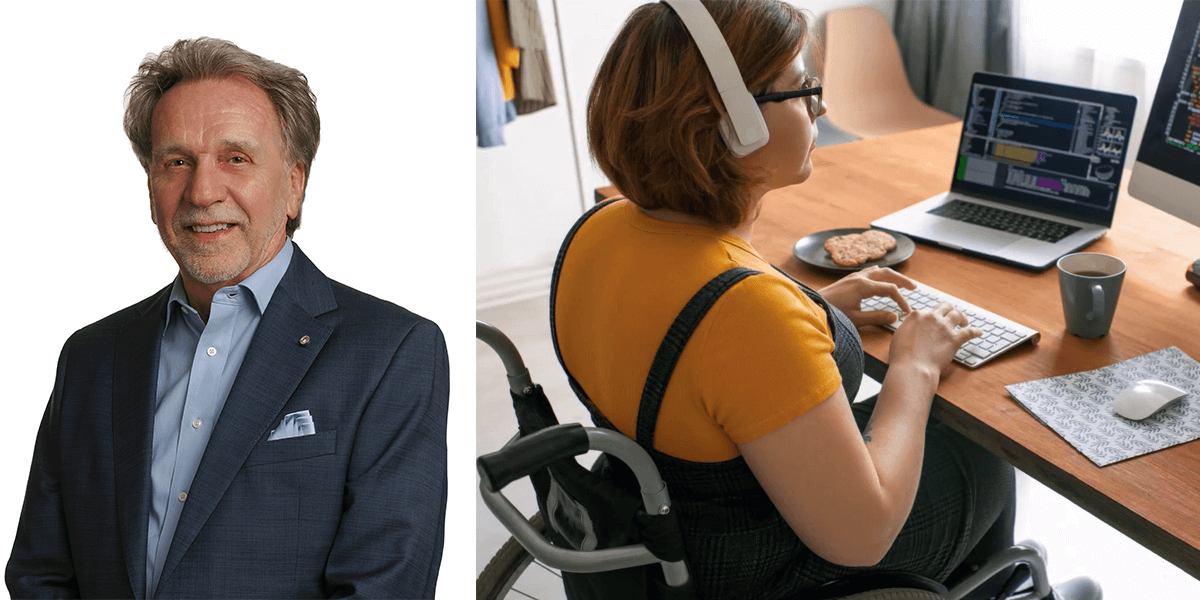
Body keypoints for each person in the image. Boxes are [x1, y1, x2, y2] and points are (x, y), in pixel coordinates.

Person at [553, 2, 1099, 599]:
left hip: (662, 524)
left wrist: (809, 309)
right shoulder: (748, 314)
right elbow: (861, 539)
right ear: (735, 123)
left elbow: (691, 346)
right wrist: (913, 367)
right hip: (749, 571)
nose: (822, 106)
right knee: (981, 445)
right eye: (799, 88)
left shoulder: (596, 229)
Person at [5, 38, 447, 599]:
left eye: (235, 158)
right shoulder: (91, 357)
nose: (203, 191)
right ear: (150, 184)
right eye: (176, 162)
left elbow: (384, 588)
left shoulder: (391, 351)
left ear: (294, 183)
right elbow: (40, 575)